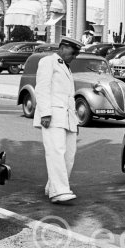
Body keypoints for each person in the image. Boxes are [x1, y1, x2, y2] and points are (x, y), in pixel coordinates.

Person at [34, 36, 83, 204]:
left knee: (69, 155)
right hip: (53, 115)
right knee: (56, 152)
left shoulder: (66, 67)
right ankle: (59, 192)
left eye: (77, 53)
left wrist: (75, 120)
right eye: (73, 52)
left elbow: (69, 97)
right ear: (62, 47)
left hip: (68, 118)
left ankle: (52, 186)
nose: (75, 56)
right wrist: (45, 113)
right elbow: (42, 88)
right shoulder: (48, 62)